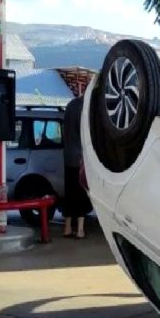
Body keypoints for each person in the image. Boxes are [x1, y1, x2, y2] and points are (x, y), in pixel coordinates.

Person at [62, 92, 92, 238]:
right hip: (80, 157)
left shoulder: (70, 106)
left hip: (67, 156)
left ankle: (67, 228)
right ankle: (80, 230)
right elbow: (86, 134)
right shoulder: (84, 108)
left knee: (69, 192)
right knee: (81, 193)